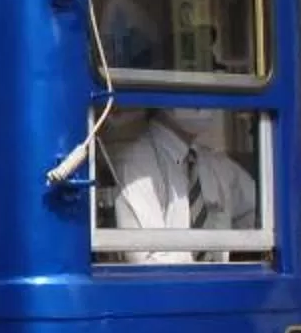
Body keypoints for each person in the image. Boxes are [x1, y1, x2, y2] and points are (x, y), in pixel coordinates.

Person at [103, 105, 260, 262]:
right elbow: (148, 259)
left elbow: (263, 217)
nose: (204, 102)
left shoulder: (215, 164)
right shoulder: (137, 165)